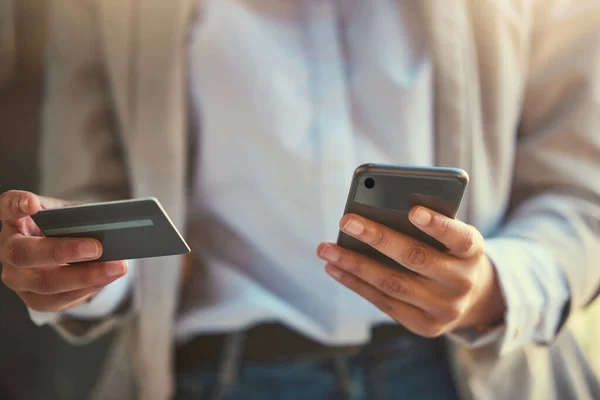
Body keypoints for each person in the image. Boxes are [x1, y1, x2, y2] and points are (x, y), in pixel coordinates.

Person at [1, 0, 600, 399]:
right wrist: (75, 264)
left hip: (467, 375)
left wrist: (494, 287)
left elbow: (581, 191)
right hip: (225, 376)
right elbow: (100, 201)